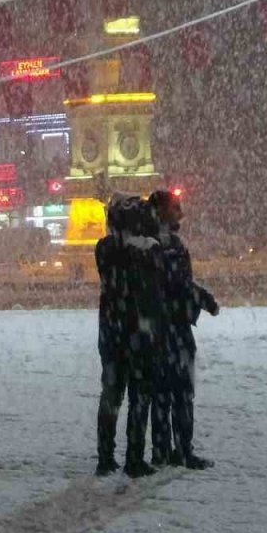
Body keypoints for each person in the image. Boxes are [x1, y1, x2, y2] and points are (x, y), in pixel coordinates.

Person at [97, 190, 175, 478]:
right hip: (137, 333)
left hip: (111, 332)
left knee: (111, 395)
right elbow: (154, 286)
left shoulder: (104, 248)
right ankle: (133, 456)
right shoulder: (145, 251)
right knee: (139, 396)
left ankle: (105, 456)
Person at [150, 207, 219, 469]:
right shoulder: (171, 247)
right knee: (181, 394)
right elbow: (180, 283)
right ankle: (182, 450)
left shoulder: (146, 246)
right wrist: (204, 300)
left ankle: (161, 450)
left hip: (155, 330)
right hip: (175, 329)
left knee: (161, 395)